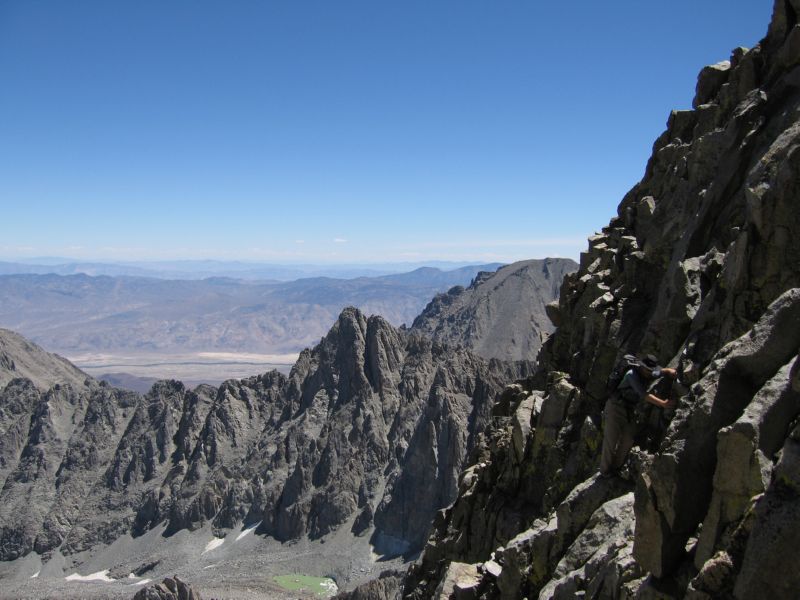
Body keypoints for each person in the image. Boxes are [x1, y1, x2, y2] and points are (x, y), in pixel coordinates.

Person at [599, 354, 677, 477]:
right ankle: (605, 471)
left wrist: (667, 371)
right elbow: (644, 395)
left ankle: (616, 467)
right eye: (648, 370)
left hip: (629, 410)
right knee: (611, 439)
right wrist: (663, 404)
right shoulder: (631, 375)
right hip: (615, 407)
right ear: (641, 366)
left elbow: (657, 373)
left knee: (628, 438)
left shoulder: (647, 372)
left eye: (651, 370)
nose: (650, 373)